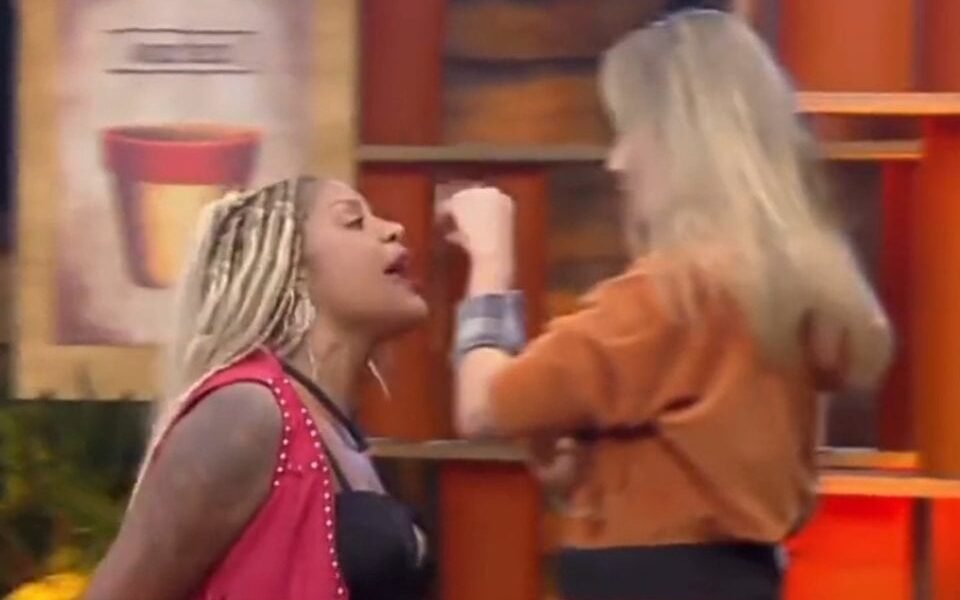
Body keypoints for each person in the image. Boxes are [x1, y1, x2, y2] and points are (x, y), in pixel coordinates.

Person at [440, 9, 892, 600]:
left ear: (683, 143)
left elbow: (483, 407)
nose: (617, 162)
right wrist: (590, 473)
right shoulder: (790, 295)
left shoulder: (669, 297)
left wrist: (490, 262)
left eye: (632, 133)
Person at [85, 177, 434, 600]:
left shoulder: (337, 431)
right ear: (290, 268)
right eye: (353, 221)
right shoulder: (245, 412)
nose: (394, 229)